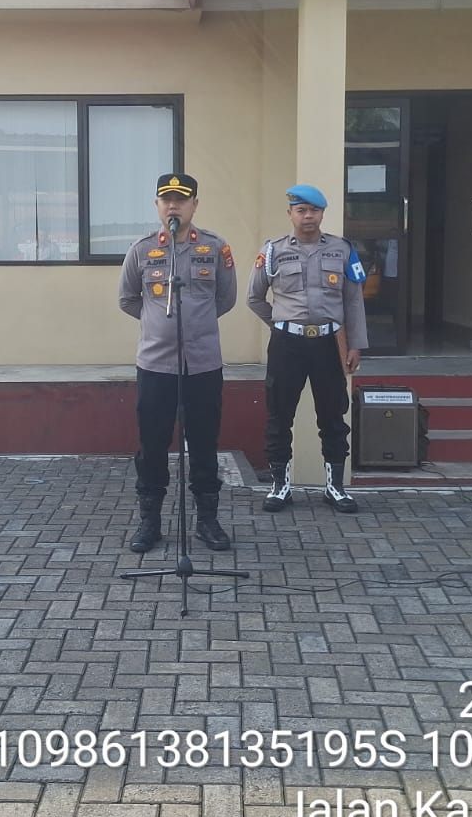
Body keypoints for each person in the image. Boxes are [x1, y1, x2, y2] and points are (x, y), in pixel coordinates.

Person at [118, 173, 239, 553]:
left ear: (194, 205)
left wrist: (195, 326)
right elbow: (127, 299)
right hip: (156, 365)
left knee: (204, 442)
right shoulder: (141, 250)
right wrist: (159, 325)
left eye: (181, 200)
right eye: (166, 200)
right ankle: (150, 522)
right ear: (157, 205)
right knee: (152, 444)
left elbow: (226, 298)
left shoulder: (215, 248)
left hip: (203, 364)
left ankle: (207, 521)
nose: (174, 206)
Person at [246, 184, 368, 513]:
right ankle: (280, 487)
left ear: (322, 213)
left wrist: (355, 344)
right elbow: (254, 298)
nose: (308, 216)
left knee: (333, 415)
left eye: (314, 210)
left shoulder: (342, 250)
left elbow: (353, 301)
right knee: (279, 415)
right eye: (301, 210)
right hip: (287, 345)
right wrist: (281, 324)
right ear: (290, 214)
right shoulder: (273, 251)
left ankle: (335, 487)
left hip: (328, 344)